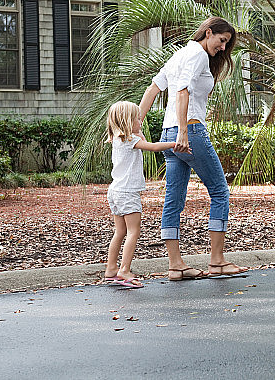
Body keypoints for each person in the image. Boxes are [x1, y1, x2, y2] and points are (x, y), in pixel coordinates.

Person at [138, 16, 249, 280]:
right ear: (208, 32)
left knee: (173, 201)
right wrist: (186, 132)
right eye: (222, 41)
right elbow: (183, 92)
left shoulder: (178, 55)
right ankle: (217, 261)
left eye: (226, 44)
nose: (223, 48)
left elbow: (153, 89)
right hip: (190, 133)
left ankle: (176, 265)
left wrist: (135, 124)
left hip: (168, 133)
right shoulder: (198, 55)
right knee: (220, 191)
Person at [104, 100, 177, 288]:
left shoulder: (119, 140)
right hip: (128, 192)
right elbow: (152, 147)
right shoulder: (130, 140)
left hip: (115, 191)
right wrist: (174, 144)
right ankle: (124, 270)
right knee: (133, 232)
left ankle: (111, 269)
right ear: (128, 121)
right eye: (137, 118)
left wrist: (139, 131)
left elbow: (142, 139)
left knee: (119, 232)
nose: (140, 121)